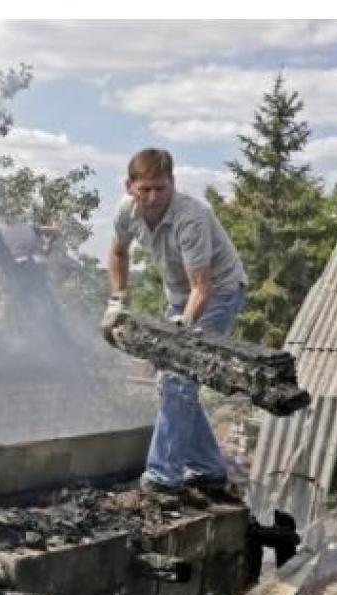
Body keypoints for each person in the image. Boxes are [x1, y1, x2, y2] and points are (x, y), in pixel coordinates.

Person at [101, 148, 248, 493]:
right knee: (171, 384)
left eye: (160, 188)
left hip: (219, 294)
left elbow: (203, 286)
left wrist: (181, 331)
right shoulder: (126, 212)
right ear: (129, 186)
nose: (153, 197)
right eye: (145, 189)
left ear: (172, 184)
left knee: (177, 378)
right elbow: (118, 252)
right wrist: (118, 298)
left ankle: (162, 477)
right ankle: (209, 468)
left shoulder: (191, 218)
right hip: (181, 297)